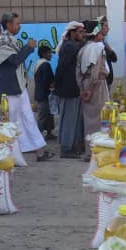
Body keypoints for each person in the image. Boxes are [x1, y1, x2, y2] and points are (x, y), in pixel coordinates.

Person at [0, 12, 54, 162]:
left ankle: (39, 152)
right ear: (8, 24)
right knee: (10, 123)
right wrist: (28, 47)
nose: (19, 26)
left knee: (28, 119)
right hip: (10, 90)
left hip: (18, 87)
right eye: (17, 23)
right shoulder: (3, 42)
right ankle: (9, 157)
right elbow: (15, 60)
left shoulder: (11, 40)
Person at [78, 19, 110, 158]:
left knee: (88, 120)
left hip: (85, 84)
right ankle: (97, 153)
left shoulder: (83, 49)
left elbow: (78, 72)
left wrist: (82, 89)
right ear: (96, 34)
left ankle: (89, 151)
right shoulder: (97, 48)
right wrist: (90, 90)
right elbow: (96, 72)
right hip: (96, 86)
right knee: (99, 119)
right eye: (100, 33)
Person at [55, 21, 85, 158]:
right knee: (68, 119)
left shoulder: (73, 45)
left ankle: (72, 146)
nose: (82, 34)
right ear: (72, 32)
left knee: (73, 120)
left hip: (73, 88)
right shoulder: (69, 46)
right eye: (80, 32)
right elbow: (61, 67)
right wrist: (56, 84)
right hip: (68, 89)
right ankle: (66, 149)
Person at [33, 44, 56, 140]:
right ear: (44, 54)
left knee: (49, 115)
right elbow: (47, 80)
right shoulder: (45, 65)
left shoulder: (38, 63)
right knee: (43, 116)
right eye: (49, 53)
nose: (51, 55)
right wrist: (53, 85)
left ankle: (49, 133)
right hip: (44, 95)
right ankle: (37, 136)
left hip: (40, 93)